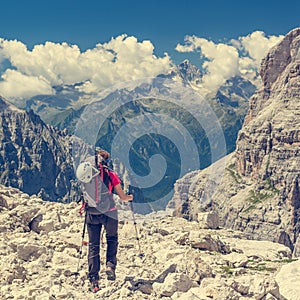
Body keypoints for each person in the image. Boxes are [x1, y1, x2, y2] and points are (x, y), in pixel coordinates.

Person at [76, 149, 133, 293]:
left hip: (91, 213)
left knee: (93, 245)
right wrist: (129, 198)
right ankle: (110, 266)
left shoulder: (86, 171)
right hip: (109, 213)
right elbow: (122, 197)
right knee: (112, 238)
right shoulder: (110, 174)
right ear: (106, 161)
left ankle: (94, 281)